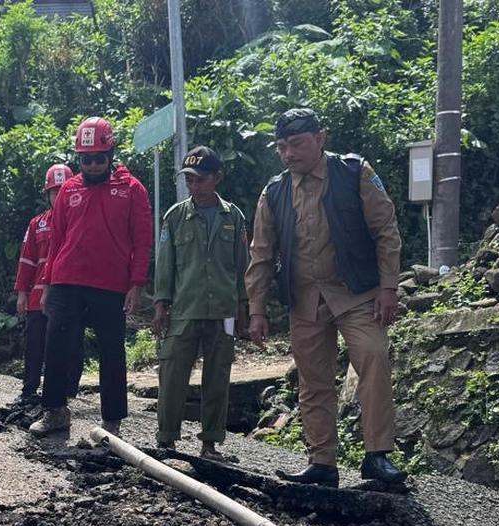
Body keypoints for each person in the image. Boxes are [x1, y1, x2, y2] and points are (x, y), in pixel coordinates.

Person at [245, 108, 406, 488]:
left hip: (357, 294)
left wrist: (388, 287)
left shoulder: (354, 173)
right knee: (313, 380)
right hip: (305, 300)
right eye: (282, 147)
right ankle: (322, 463)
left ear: (321, 138)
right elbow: (261, 254)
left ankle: (377, 457)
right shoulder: (274, 192)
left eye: (296, 144)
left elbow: (386, 230)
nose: (288, 154)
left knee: (373, 357)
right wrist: (256, 310)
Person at [29, 117, 152, 438]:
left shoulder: (131, 190)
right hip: (66, 282)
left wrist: (136, 284)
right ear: (78, 159)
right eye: (87, 159)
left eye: (99, 158)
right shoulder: (69, 189)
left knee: (112, 351)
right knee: (55, 346)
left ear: (111, 155)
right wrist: (45, 285)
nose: (94, 165)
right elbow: (56, 241)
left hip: (110, 285)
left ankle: (112, 421)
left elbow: (143, 240)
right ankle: (55, 410)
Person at [153, 147, 249, 461]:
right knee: (172, 374)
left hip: (224, 312)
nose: (194, 185)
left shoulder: (233, 217)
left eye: (200, 179)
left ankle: (210, 443)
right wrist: (160, 305)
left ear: (217, 178)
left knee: (218, 376)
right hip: (184, 309)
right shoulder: (175, 216)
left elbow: (242, 266)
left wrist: (245, 306)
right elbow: (165, 264)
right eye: (189, 180)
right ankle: (166, 440)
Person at [12, 163, 83, 406]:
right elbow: (27, 260)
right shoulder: (37, 224)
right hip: (37, 298)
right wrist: (22, 292)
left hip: (70, 297)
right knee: (35, 345)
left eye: (64, 190)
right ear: (48, 194)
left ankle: (69, 392)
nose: (59, 195)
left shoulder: (81, 222)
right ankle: (29, 390)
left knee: (72, 344)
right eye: (55, 191)